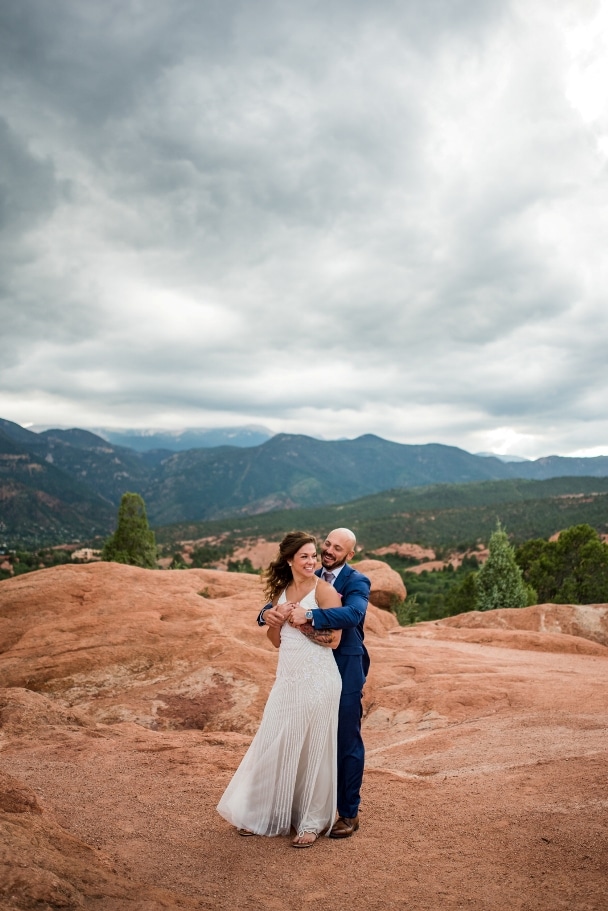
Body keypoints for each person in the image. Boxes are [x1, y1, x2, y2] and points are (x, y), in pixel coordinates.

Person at [217, 531, 343, 847]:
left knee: (314, 747)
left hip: (319, 680)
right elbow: (275, 641)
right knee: (274, 741)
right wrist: (274, 619)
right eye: (304, 556)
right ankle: (264, 813)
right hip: (287, 681)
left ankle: (311, 823)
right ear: (289, 560)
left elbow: (335, 640)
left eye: (314, 555)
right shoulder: (282, 592)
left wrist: (303, 623)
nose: (312, 561)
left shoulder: (325, 592)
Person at [257, 527, 371, 839]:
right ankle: (294, 808)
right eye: (328, 544)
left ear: (350, 555)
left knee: (345, 739)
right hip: (306, 668)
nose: (330, 551)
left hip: (344, 668)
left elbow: (353, 614)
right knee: (301, 736)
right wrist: (266, 614)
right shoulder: (311, 572)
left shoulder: (356, 581)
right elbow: (281, 600)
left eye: (339, 548)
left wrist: (310, 616)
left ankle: (348, 813)